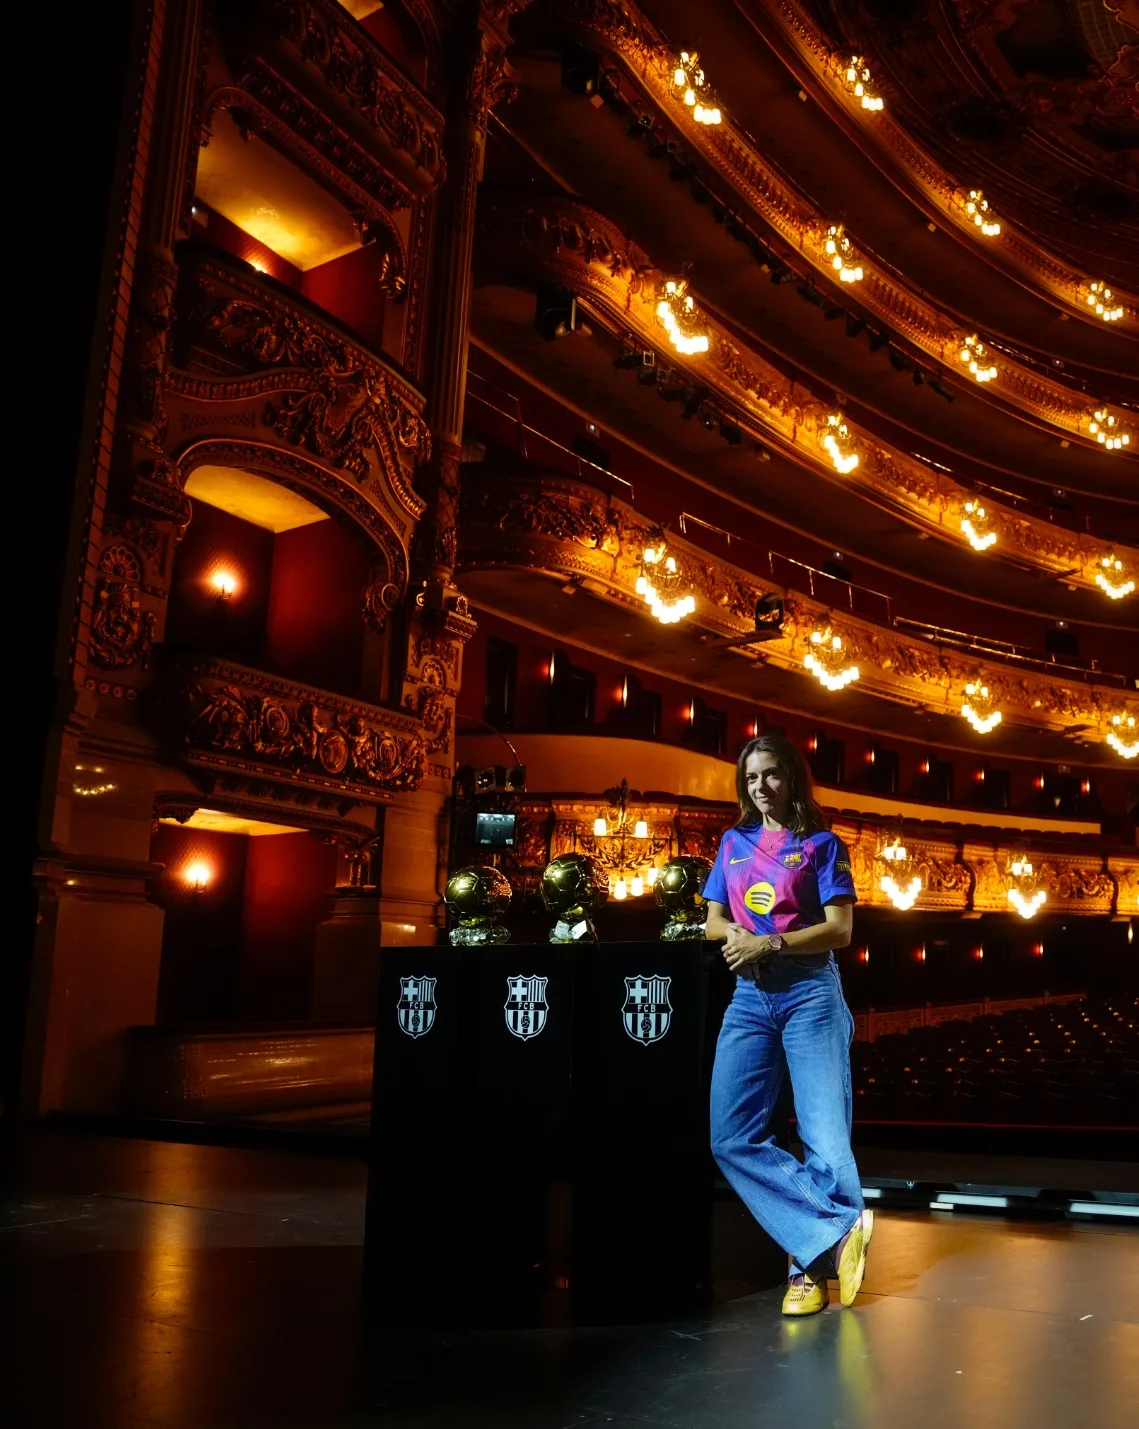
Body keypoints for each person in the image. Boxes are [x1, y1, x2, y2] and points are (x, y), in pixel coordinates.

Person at [703, 733, 871, 1316]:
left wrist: (769, 941)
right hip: (749, 996)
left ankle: (807, 1274)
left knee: (825, 1139)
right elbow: (711, 924)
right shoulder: (733, 842)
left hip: (810, 993)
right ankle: (833, 1235)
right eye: (751, 779)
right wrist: (745, 944)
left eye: (770, 775)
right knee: (730, 1135)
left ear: (793, 777)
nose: (761, 788)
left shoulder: (824, 844)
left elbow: (839, 930)